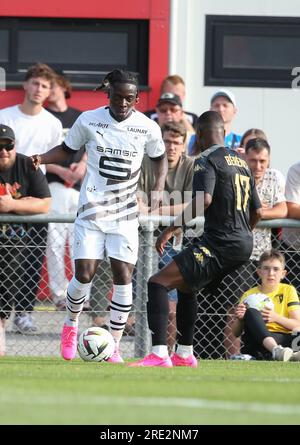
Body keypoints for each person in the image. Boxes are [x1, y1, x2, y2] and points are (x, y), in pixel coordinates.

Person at [31, 69, 168, 363]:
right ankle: (70, 325)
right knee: (84, 274)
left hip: (125, 215)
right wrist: (42, 158)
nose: (123, 103)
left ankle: (113, 347)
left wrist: (157, 189)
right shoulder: (89, 119)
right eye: (118, 97)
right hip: (91, 211)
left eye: (129, 98)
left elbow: (160, 158)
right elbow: (67, 150)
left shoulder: (147, 127)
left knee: (124, 277)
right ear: (108, 94)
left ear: (137, 99)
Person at [128, 110, 262, 368]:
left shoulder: (206, 159)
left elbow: (205, 199)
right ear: (223, 132)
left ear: (199, 134)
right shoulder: (241, 162)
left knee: (157, 282)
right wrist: (242, 234)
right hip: (244, 244)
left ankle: (158, 354)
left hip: (220, 243)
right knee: (186, 286)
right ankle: (184, 354)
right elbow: (257, 211)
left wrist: (171, 228)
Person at [0, 63, 62, 333]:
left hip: (34, 193)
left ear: (50, 91)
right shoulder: (5, 116)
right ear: (25, 85)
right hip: (3, 189)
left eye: (45, 86)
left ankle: (23, 312)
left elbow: (52, 158)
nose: (39, 89)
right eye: (35, 83)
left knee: (32, 257)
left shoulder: (53, 122)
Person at [222, 137, 287, 358]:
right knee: (237, 308)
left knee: (266, 308)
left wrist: (257, 213)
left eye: (262, 161)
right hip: (238, 251)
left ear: (268, 160)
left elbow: (282, 211)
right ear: (244, 158)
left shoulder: (275, 176)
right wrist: (258, 211)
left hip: (264, 255)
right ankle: (234, 355)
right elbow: (228, 212)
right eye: (253, 160)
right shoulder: (234, 174)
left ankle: (261, 352)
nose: (258, 166)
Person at [138, 121, 194, 353]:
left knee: (171, 306)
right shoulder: (147, 162)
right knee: (141, 304)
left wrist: (156, 211)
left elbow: (193, 203)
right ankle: (146, 351)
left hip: (177, 241)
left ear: (184, 146)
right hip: (145, 239)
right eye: (167, 141)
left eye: (176, 143)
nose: (171, 147)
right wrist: (148, 211)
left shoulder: (191, 166)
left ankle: (166, 352)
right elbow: (137, 199)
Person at [0, 124, 51, 355]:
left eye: (8, 145)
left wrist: (12, 205)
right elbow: (34, 203)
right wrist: (26, 205)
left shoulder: (27, 164)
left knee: (20, 283)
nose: (4, 151)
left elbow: (44, 203)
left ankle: (21, 315)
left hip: (23, 239)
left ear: (15, 145)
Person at [45, 72, 87, 310]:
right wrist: (61, 171)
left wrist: (82, 165)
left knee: (81, 242)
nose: (48, 89)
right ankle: (60, 294)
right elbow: (38, 154)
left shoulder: (79, 116)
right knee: (55, 242)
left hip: (81, 187)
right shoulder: (45, 117)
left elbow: (92, 145)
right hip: (55, 185)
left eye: (52, 85)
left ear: (63, 87)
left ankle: (82, 294)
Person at [231, 249, 300, 361]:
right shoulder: (249, 295)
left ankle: (282, 355)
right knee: (251, 312)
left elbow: (297, 324)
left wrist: (276, 318)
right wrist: (240, 319)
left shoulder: (288, 290)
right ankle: (277, 351)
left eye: (276, 269)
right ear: (259, 272)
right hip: (259, 338)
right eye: (266, 268)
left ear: (283, 274)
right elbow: (235, 333)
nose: (271, 273)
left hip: (284, 337)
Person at [188, 89, 241, 155]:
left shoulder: (241, 141)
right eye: (216, 105)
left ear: (234, 111)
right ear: (210, 110)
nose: (221, 109)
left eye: (225, 105)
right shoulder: (195, 139)